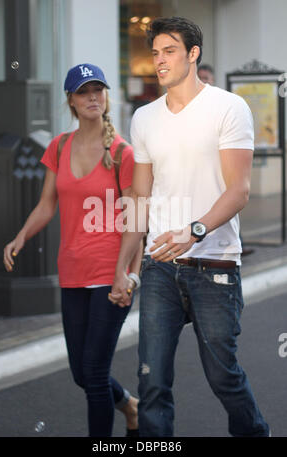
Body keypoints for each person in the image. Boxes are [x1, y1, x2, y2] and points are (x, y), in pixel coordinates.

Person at [109, 17, 270, 437]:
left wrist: (192, 231)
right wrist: (123, 267)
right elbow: (140, 198)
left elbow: (239, 191)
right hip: (160, 268)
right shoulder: (144, 118)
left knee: (223, 377)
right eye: (156, 53)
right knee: (153, 381)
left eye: (169, 51)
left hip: (214, 264)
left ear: (193, 54)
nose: (159, 61)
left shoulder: (228, 107)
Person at [3, 63, 143, 437]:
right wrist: (21, 236)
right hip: (73, 271)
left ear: (107, 96)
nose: (93, 97)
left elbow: (135, 220)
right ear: (71, 100)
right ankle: (131, 406)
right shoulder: (59, 146)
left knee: (95, 374)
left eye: (99, 89)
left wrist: (125, 274)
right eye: (84, 91)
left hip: (110, 272)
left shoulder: (123, 152)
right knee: (82, 372)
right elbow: (47, 204)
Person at [198, 64, 254, 257]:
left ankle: (237, 241)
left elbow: (240, 191)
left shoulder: (225, 107)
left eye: (207, 78)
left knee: (229, 203)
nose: (204, 81)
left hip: (223, 177)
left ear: (212, 80)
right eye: (201, 77)